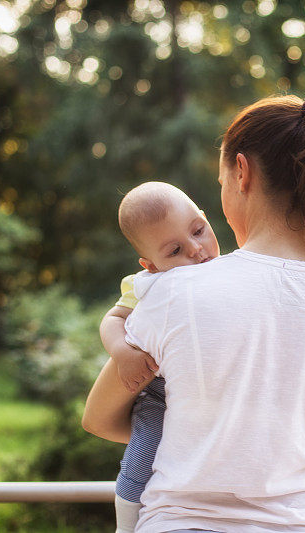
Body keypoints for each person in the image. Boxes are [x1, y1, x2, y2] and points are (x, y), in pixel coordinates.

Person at [83, 92, 305, 532]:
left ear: (241, 172)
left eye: (219, 184)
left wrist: (203, 432)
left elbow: (99, 417)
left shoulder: (172, 292)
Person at [96, 181, 221, 533]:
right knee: (140, 459)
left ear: (205, 218)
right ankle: (125, 524)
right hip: (158, 394)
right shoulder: (145, 286)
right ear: (150, 265)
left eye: (199, 230)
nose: (197, 249)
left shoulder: (230, 270)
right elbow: (113, 319)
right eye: (175, 250)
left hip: (210, 394)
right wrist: (122, 352)